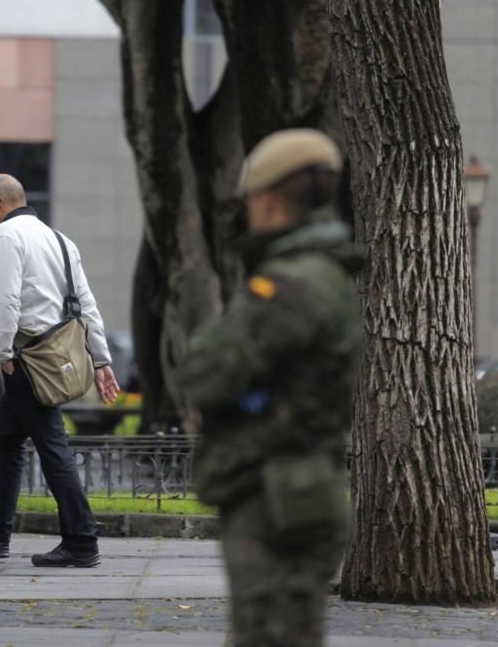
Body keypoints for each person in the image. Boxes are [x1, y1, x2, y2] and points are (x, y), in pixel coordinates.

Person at [179, 129, 364, 646]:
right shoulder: (328, 272)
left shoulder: (286, 284)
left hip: (276, 497)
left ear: (265, 198)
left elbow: (205, 373)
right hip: (302, 488)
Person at [0, 173, 120, 567]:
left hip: (29, 358)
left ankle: (82, 542)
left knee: (52, 446)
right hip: (58, 354)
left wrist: (3, 351)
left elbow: (6, 299)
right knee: (6, 438)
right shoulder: (60, 240)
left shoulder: (7, 237)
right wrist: (101, 359)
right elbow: (86, 304)